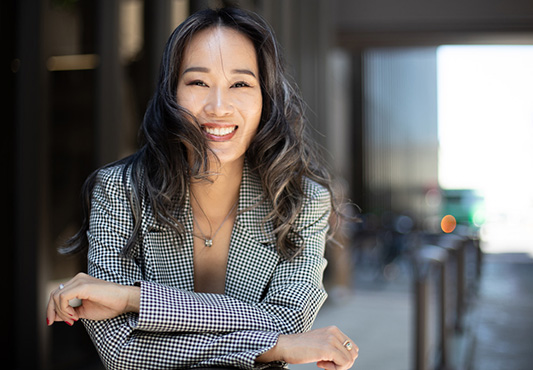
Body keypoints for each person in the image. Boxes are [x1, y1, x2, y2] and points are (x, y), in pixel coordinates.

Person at [46, 6, 358, 370]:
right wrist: (274, 348)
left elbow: (287, 321)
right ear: (171, 93)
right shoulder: (118, 190)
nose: (218, 107)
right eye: (198, 82)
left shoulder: (302, 199)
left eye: (240, 84)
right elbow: (123, 351)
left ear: (265, 98)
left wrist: (133, 299)